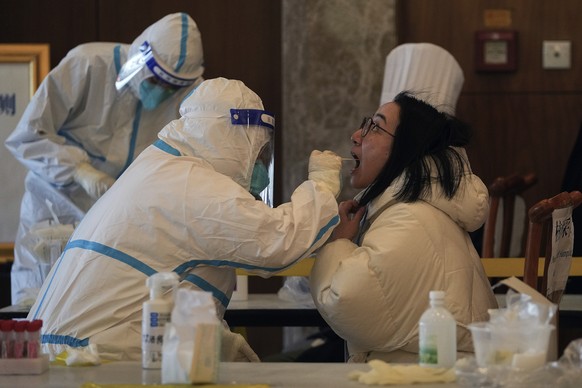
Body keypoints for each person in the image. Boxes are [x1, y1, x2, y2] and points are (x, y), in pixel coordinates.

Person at [27, 77, 342, 362]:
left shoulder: (161, 167)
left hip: (69, 351)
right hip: (87, 359)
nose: (256, 165)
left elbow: (163, 277)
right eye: (254, 151)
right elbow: (279, 241)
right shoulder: (192, 185)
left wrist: (209, 337)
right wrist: (323, 187)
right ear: (231, 135)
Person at [5, 13, 205, 306]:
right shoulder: (88, 64)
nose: (162, 92)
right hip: (53, 212)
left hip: (118, 222)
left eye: (171, 87)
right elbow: (27, 137)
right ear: (140, 58)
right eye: (157, 80)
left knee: (97, 315)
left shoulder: (189, 93)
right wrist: (79, 170)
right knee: (35, 312)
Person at [310, 91, 498, 363]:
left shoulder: (409, 217)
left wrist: (338, 244)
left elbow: (345, 302)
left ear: (405, 148)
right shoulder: (405, 207)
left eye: (374, 127)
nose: (356, 135)